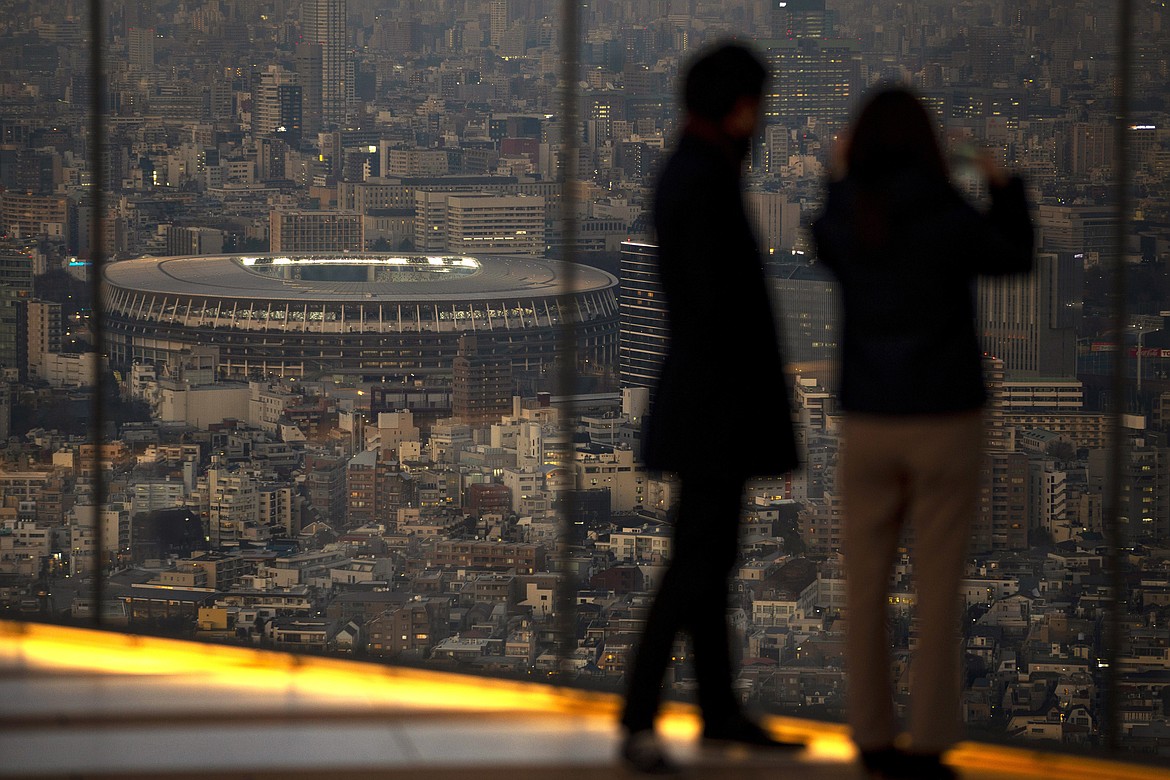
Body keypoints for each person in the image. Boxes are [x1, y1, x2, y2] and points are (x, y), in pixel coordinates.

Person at [812, 87, 1034, 780]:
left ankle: (872, 738)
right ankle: (933, 741)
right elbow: (1014, 254)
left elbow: (822, 234)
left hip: (872, 420)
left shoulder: (857, 214)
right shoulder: (945, 212)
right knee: (940, 588)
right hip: (945, 418)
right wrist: (997, 177)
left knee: (865, 585)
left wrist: (838, 173)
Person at [619, 43, 803, 774]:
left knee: (707, 560)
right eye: (755, 104)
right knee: (696, 562)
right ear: (735, 106)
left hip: (707, 402)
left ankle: (715, 709)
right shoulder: (702, 179)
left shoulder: (694, 170)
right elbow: (716, 308)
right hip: (714, 407)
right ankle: (642, 716)